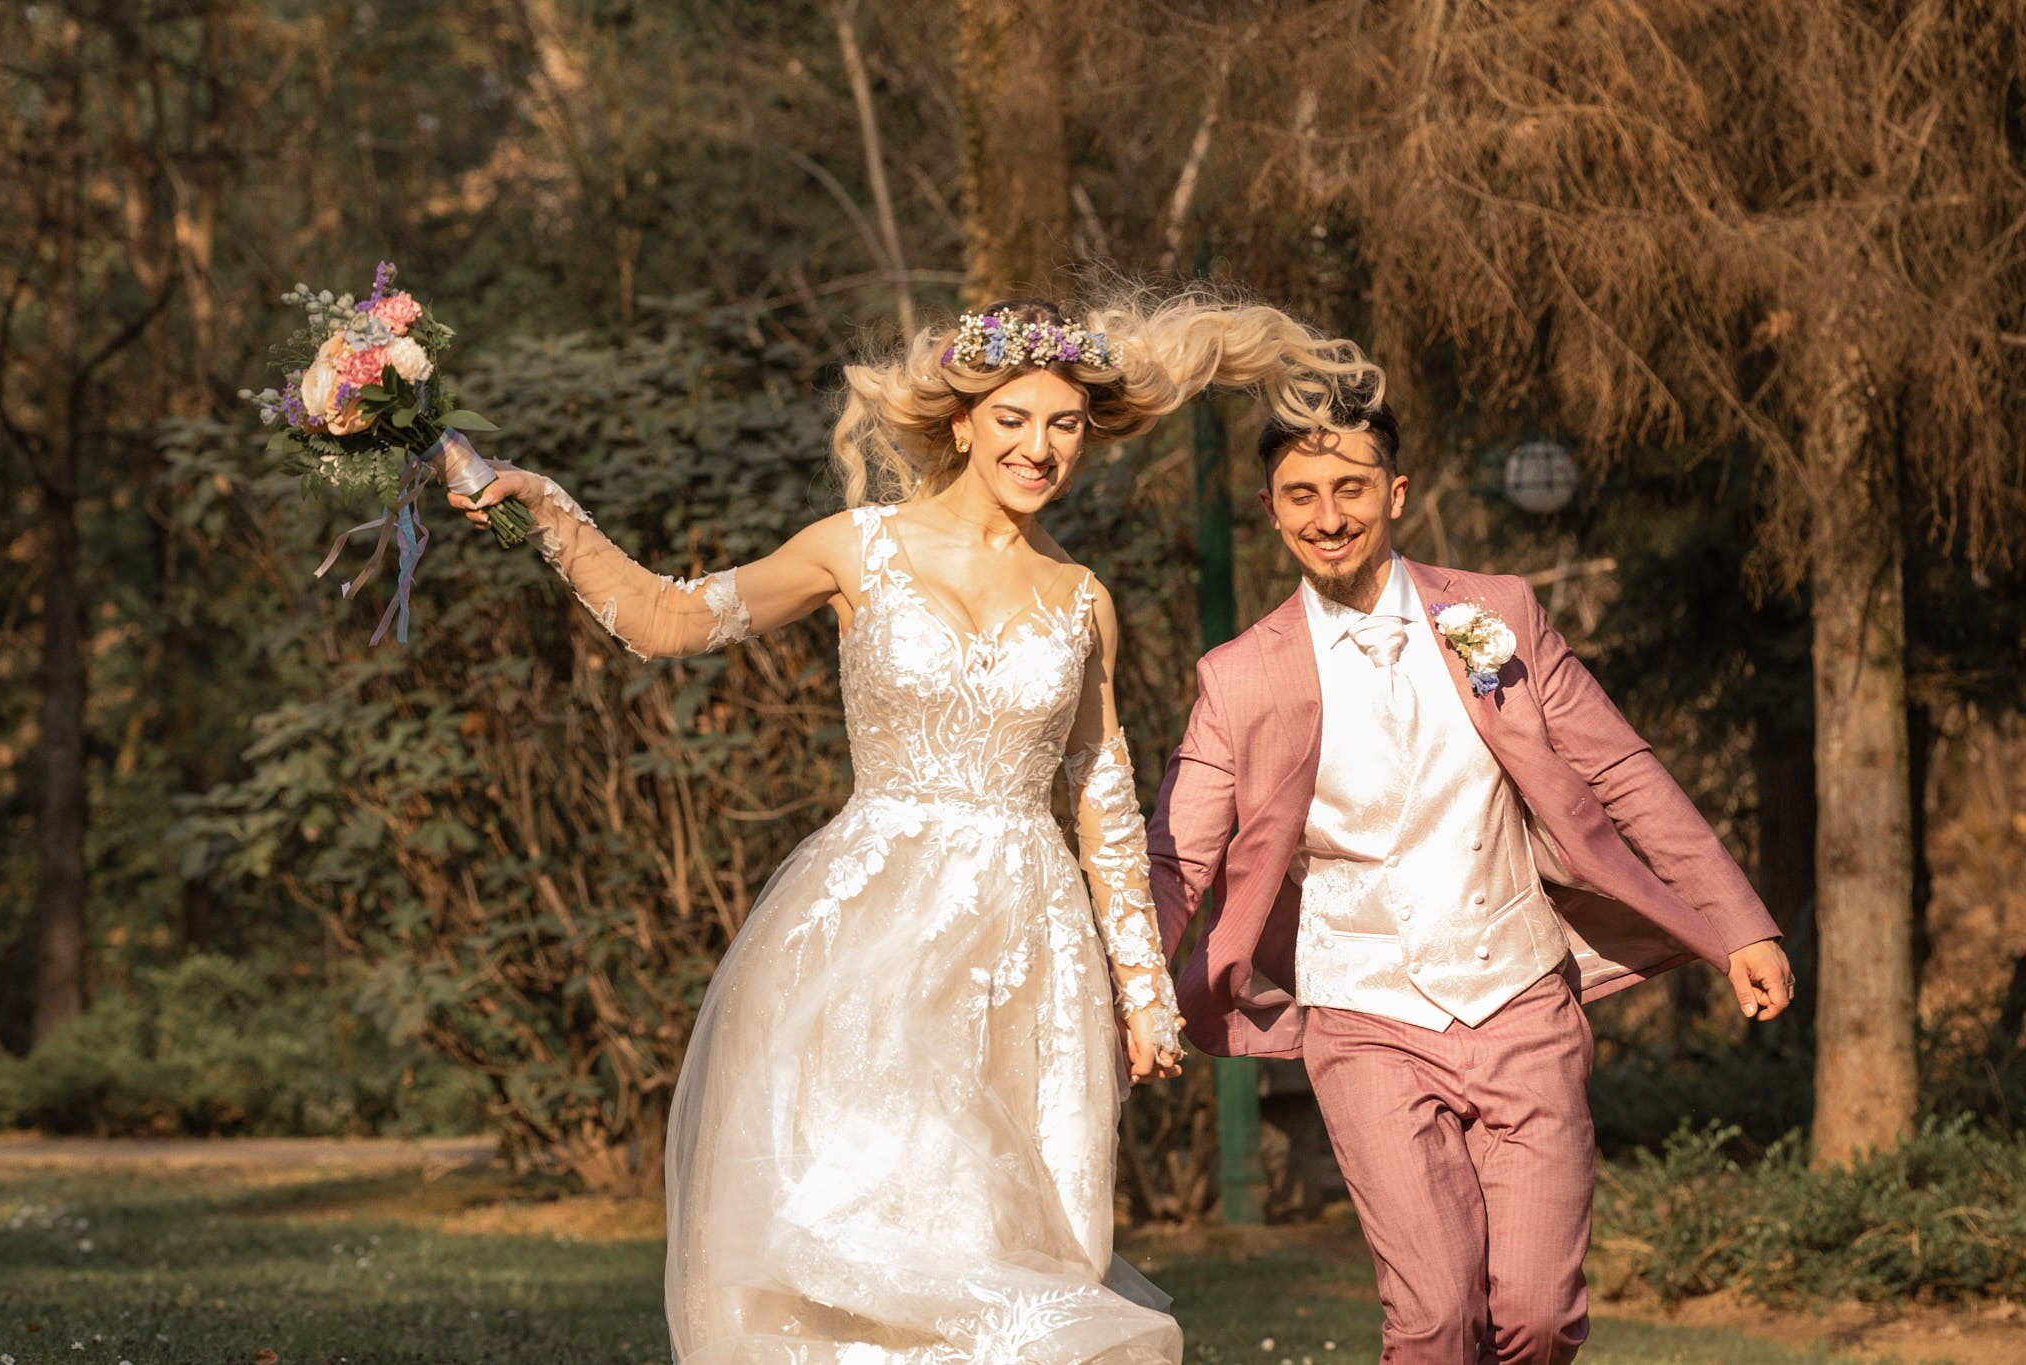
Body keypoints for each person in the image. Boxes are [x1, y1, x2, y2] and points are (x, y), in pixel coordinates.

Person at [450, 292, 1382, 1364]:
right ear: (960, 423)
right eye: (1015, 421)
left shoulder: (1082, 599)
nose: (1040, 449)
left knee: (994, 1231)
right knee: (869, 1214)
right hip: (866, 935)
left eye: (1064, 427)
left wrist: (1139, 990)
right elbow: (668, 619)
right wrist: (549, 515)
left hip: (1025, 952)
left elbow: (1100, 800)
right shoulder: (857, 548)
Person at [1146, 399, 1796, 1365]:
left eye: (1351, 488)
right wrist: (1126, 992)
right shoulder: (1240, 677)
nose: (1329, 515)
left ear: (1396, 493)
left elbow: (1620, 772)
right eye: (1302, 495)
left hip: (1521, 994)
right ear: (1271, 512)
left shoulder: (1499, 615)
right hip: (1361, 1016)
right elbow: (1179, 855)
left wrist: (1740, 921)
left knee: (1535, 1316)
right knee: (1436, 1320)